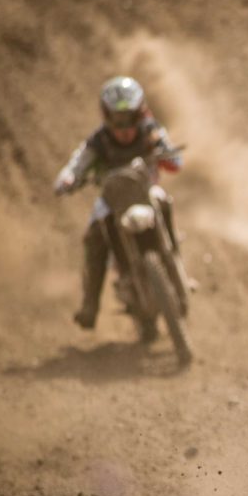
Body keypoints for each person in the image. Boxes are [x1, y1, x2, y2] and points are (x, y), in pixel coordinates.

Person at [53, 76, 183, 330]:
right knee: (94, 234)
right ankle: (90, 305)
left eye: (130, 119)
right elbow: (77, 164)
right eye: (117, 120)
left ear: (141, 113)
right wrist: (68, 179)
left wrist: (162, 149)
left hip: (146, 192)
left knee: (165, 202)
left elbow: (175, 162)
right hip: (112, 201)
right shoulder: (98, 142)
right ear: (106, 116)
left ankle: (175, 264)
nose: (124, 128)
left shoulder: (151, 131)